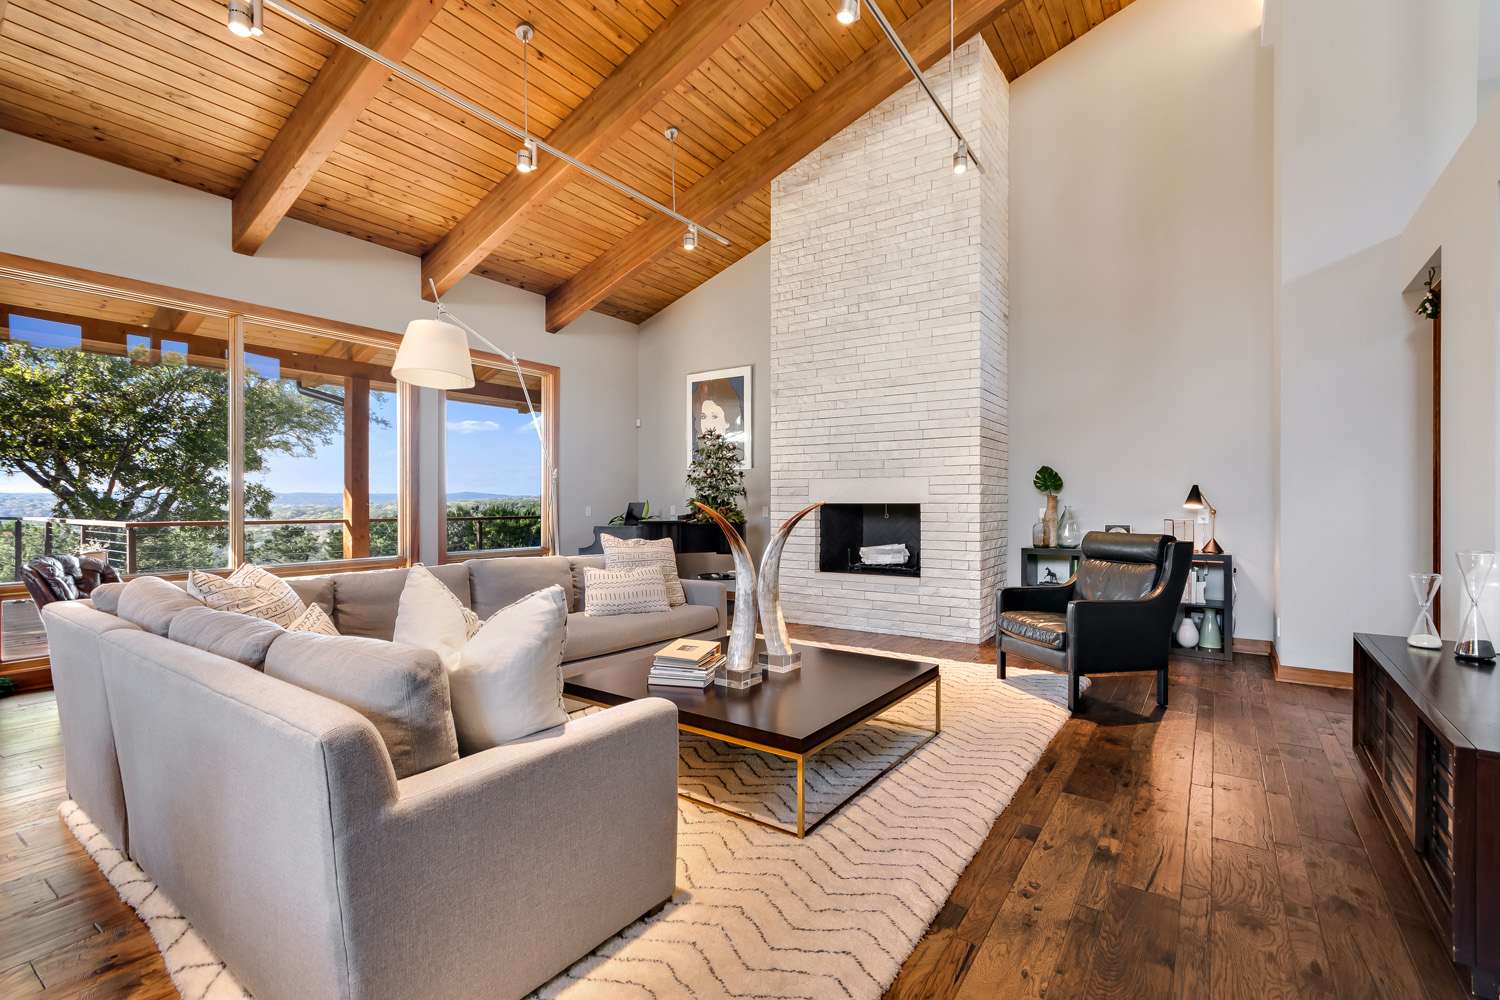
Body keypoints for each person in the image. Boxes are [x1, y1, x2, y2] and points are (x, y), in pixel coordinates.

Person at [692, 377, 745, 459]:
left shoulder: (735, 452)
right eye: (703, 417)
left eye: (714, 416)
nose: (707, 424)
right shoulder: (697, 451)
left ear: (727, 422)